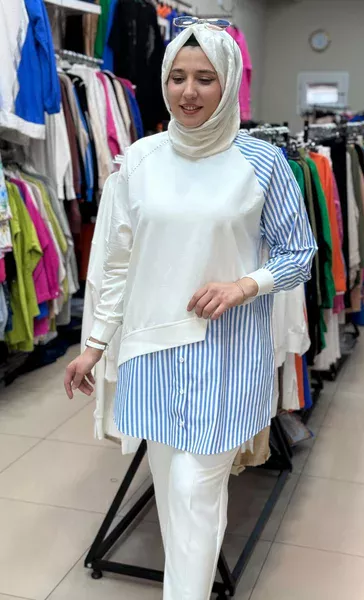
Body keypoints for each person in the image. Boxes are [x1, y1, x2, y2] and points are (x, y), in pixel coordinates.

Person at [64, 19, 317, 600]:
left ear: (228, 83)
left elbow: (299, 254)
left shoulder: (264, 163)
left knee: (194, 493)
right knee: (174, 494)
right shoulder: (140, 160)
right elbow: (119, 263)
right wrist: (94, 346)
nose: (189, 91)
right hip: (150, 351)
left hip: (225, 353)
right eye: (177, 77)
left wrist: (244, 285)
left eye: (205, 78)